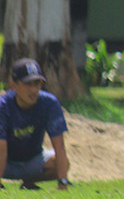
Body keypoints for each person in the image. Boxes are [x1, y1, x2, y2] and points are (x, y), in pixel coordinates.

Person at [0, 58, 72, 191]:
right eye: (28, 84)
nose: (33, 90)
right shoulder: (3, 106)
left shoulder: (49, 103)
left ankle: (29, 182)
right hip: (5, 163)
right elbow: (1, 148)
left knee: (61, 163)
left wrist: (62, 182)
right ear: (14, 86)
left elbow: (59, 146)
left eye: (37, 83)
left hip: (32, 160)